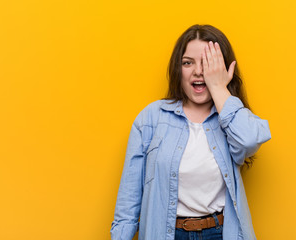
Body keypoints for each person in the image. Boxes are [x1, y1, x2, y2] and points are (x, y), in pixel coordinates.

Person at [110, 24, 271, 240]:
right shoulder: (151, 118)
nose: (198, 71)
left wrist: (219, 88)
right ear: (178, 69)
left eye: (207, 63)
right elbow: (128, 202)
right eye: (188, 63)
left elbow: (250, 140)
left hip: (220, 233)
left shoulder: (231, 119)